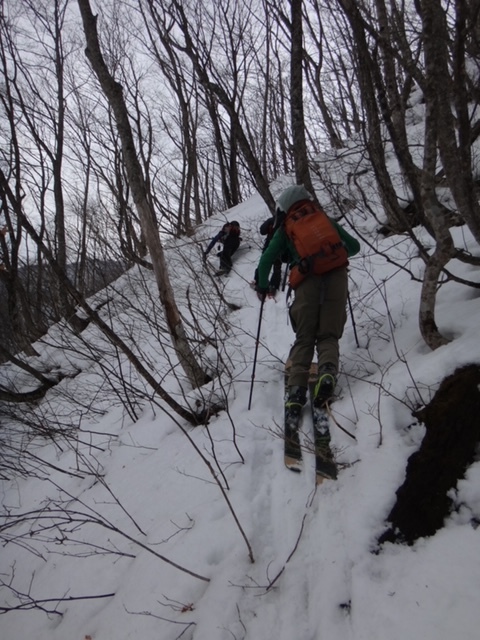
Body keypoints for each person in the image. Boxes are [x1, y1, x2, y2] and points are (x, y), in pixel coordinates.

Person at [255, 185, 360, 419]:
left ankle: (296, 392)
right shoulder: (323, 220)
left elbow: (266, 260)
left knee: (305, 337)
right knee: (328, 335)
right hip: (337, 278)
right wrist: (330, 257)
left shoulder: (286, 228)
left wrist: (262, 285)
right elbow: (353, 247)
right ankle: (327, 373)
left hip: (306, 282)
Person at [252, 216, 283, 294]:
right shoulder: (276, 220)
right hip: (277, 245)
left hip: (273, 244)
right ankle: (271, 286)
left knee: (267, 263)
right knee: (275, 265)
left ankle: (260, 282)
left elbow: (262, 230)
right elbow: (262, 230)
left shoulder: (274, 219)